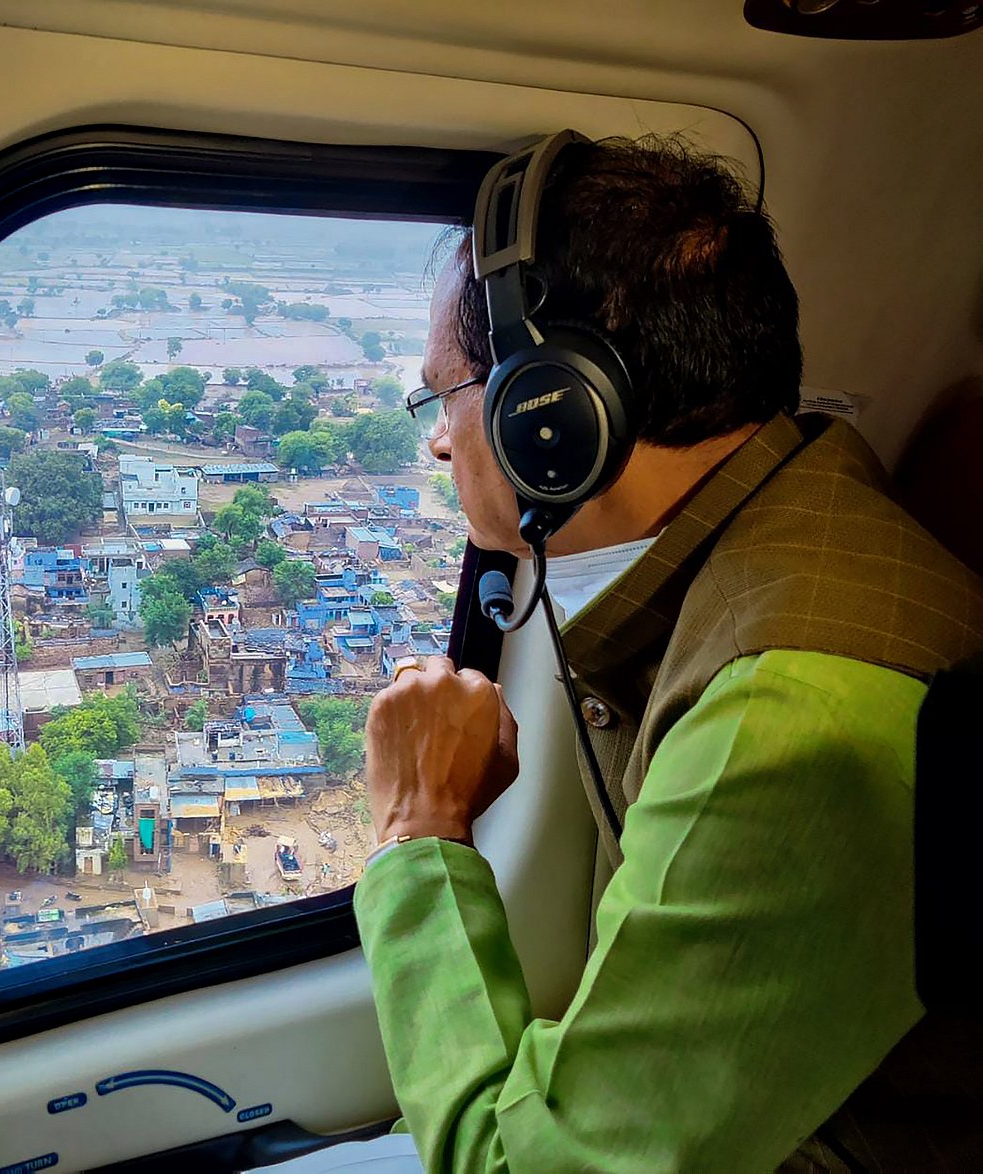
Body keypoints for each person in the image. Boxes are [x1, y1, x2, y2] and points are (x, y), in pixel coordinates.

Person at [354, 136, 983, 1171]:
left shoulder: (787, 728)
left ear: (549, 410)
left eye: (445, 396)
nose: (436, 441)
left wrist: (418, 831)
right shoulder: (795, 519)